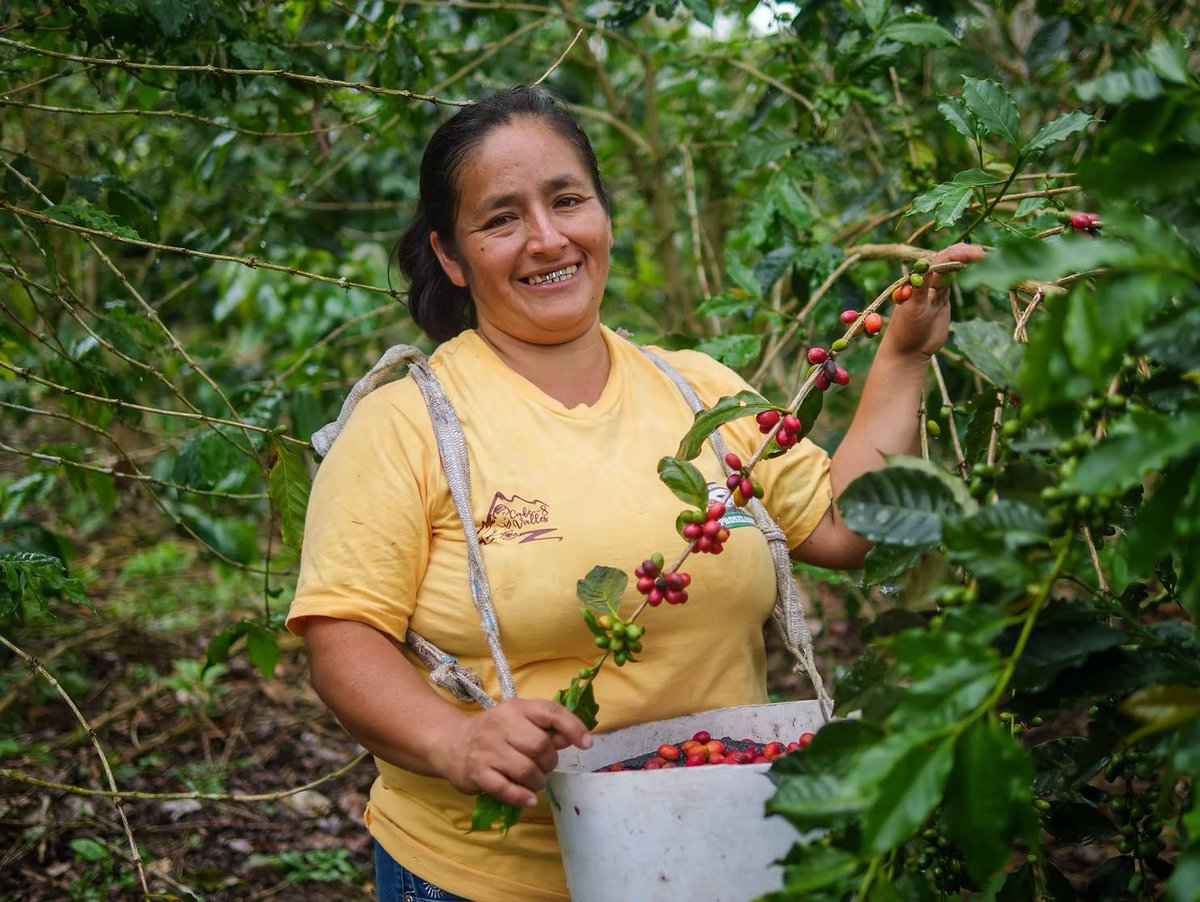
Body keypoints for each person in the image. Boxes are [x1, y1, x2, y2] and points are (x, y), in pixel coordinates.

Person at [286, 85, 983, 901]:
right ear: (451, 256)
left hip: (716, 857)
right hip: (491, 880)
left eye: (567, 200)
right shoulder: (408, 424)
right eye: (502, 219)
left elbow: (844, 527)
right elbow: (342, 640)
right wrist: (455, 742)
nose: (547, 239)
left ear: (604, 216)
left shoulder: (700, 394)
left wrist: (901, 359)